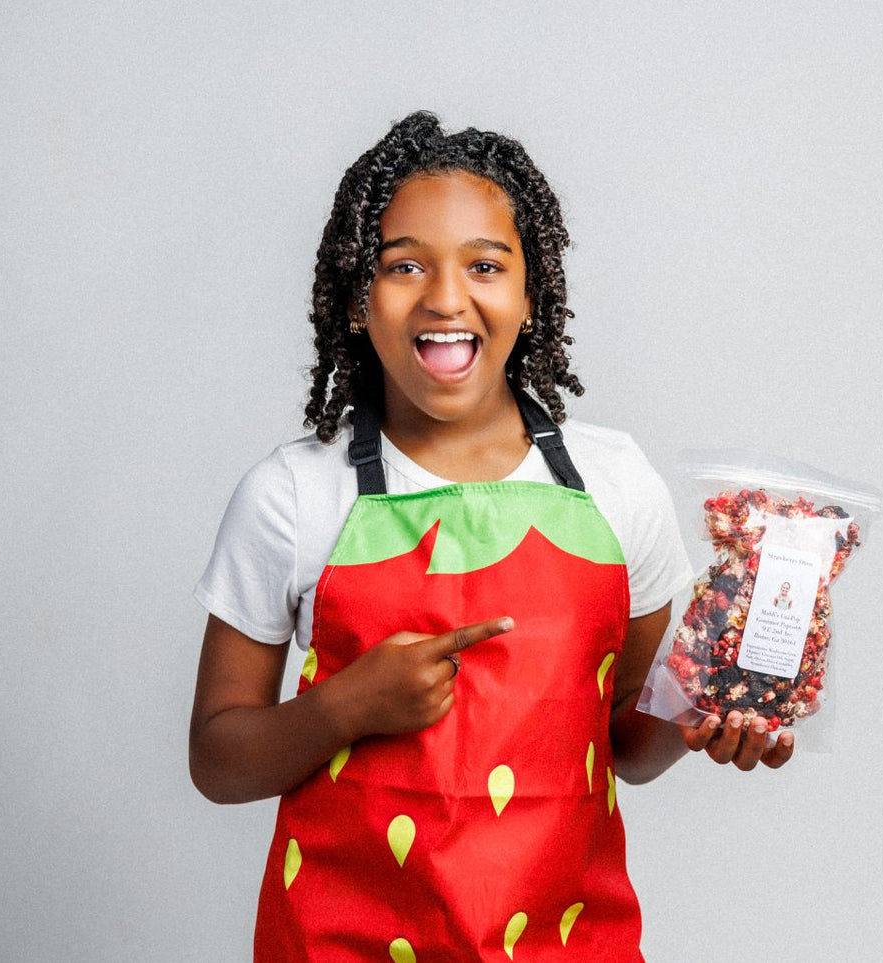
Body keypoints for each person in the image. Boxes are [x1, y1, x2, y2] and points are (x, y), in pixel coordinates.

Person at [190, 111, 794, 961]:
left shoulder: (615, 482)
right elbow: (217, 760)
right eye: (404, 265)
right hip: (339, 943)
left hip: (567, 941)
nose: (445, 297)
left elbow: (626, 742)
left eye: (484, 265)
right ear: (357, 298)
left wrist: (703, 712)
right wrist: (344, 706)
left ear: (529, 293)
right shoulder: (293, 495)